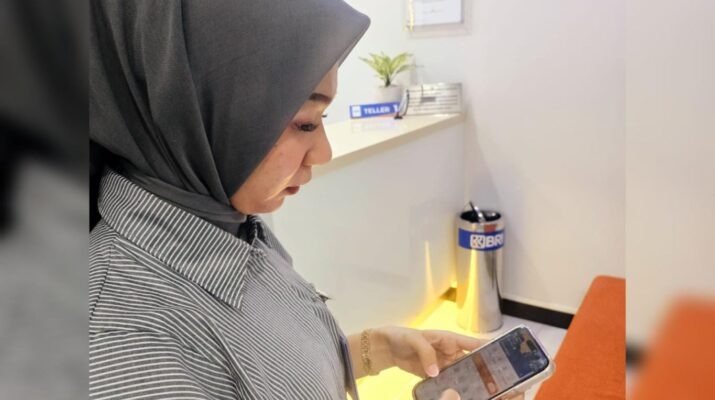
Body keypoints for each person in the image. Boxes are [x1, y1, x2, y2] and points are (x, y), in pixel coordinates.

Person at [89, 1, 523, 399]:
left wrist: (376, 349)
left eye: (322, 118)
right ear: (189, 107)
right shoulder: (123, 348)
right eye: (305, 123)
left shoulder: (229, 223)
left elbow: (272, 373)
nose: (324, 152)